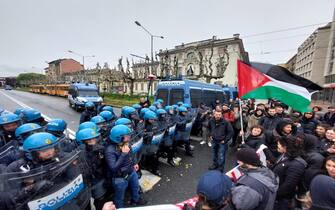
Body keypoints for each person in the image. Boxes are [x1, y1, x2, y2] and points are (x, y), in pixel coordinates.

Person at [105, 125, 146, 208]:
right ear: (119, 138)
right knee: (119, 197)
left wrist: (135, 163)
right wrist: (123, 154)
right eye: (127, 136)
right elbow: (113, 168)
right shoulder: (109, 150)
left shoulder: (126, 143)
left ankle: (136, 199)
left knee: (135, 188)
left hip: (131, 172)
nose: (129, 137)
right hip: (120, 178)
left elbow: (131, 153)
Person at [271, 135, 307, 210]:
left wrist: (273, 195)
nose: (277, 146)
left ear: (285, 147)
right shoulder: (284, 155)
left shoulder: (297, 164)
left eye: (279, 144)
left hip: (282, 200)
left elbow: (288, 186)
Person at [76, 128, 107, 210]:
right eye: (89, 139)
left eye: (94, 138)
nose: (93, 140)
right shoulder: (77, 154)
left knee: (100, 201)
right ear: (83, 141)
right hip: (85, 184)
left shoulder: (99, 149)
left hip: (97, 180)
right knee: (85, 204)